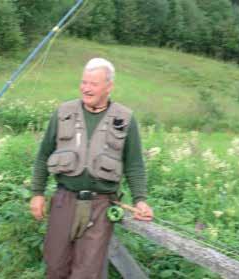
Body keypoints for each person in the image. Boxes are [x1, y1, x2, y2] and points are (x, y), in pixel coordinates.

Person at [29, 58, 153, 279]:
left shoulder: (125, 119)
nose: (86, 88)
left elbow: (134, 165)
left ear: (109, 86)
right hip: (64, 201)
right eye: (83, 82)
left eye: (93, 84)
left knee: (87, 273)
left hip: (100, 206)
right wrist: (37, 193)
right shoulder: (63, 112)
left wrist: (140, 199)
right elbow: (43, 156)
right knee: (55, 267)